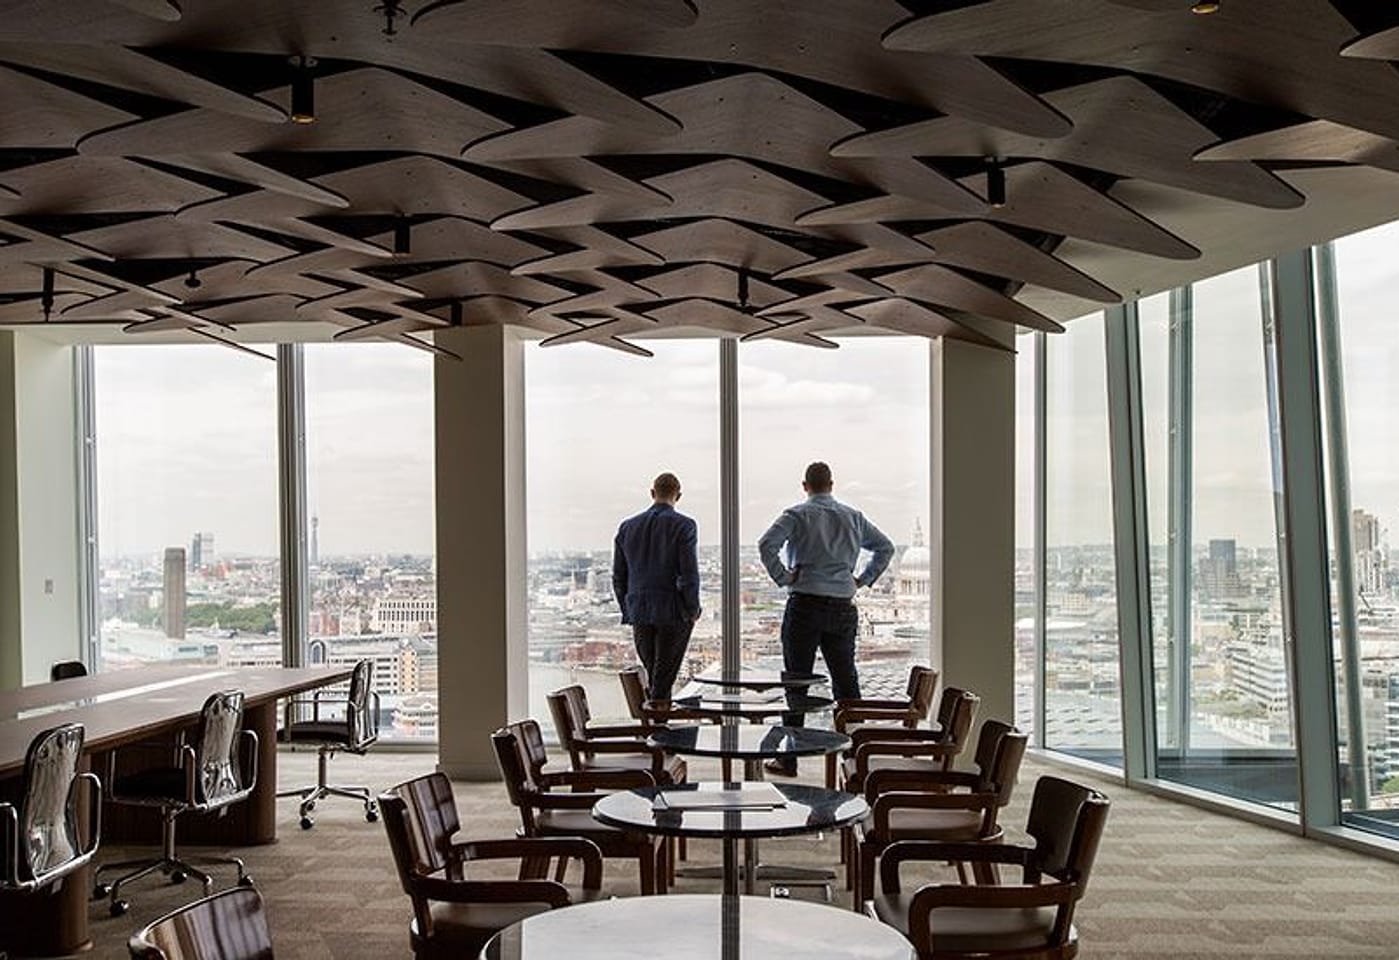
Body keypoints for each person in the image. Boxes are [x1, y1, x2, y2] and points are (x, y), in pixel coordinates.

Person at [758, 461, 894, 775]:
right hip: (843, 606)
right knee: (846, 681)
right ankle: (856, 756)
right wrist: (862, 579)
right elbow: (885, 548)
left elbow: (766, 544)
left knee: (797, 683)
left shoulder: (796, 515)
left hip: (805, 604)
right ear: (831, 484)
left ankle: (789, 758)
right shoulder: (853, 517)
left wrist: (784, 577)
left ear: (805, 486)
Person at [612, 472, 701, 703]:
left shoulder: (627, 527)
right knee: (663, 679)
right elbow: (689, 574)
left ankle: (653, 720)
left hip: (639, 611)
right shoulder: (684, 525)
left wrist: (628, 609)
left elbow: (619, 577)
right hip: (673, 611)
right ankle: (658, 722)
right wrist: (692, 609)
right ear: (678, 496)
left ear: (652, 493)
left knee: (655, 676)